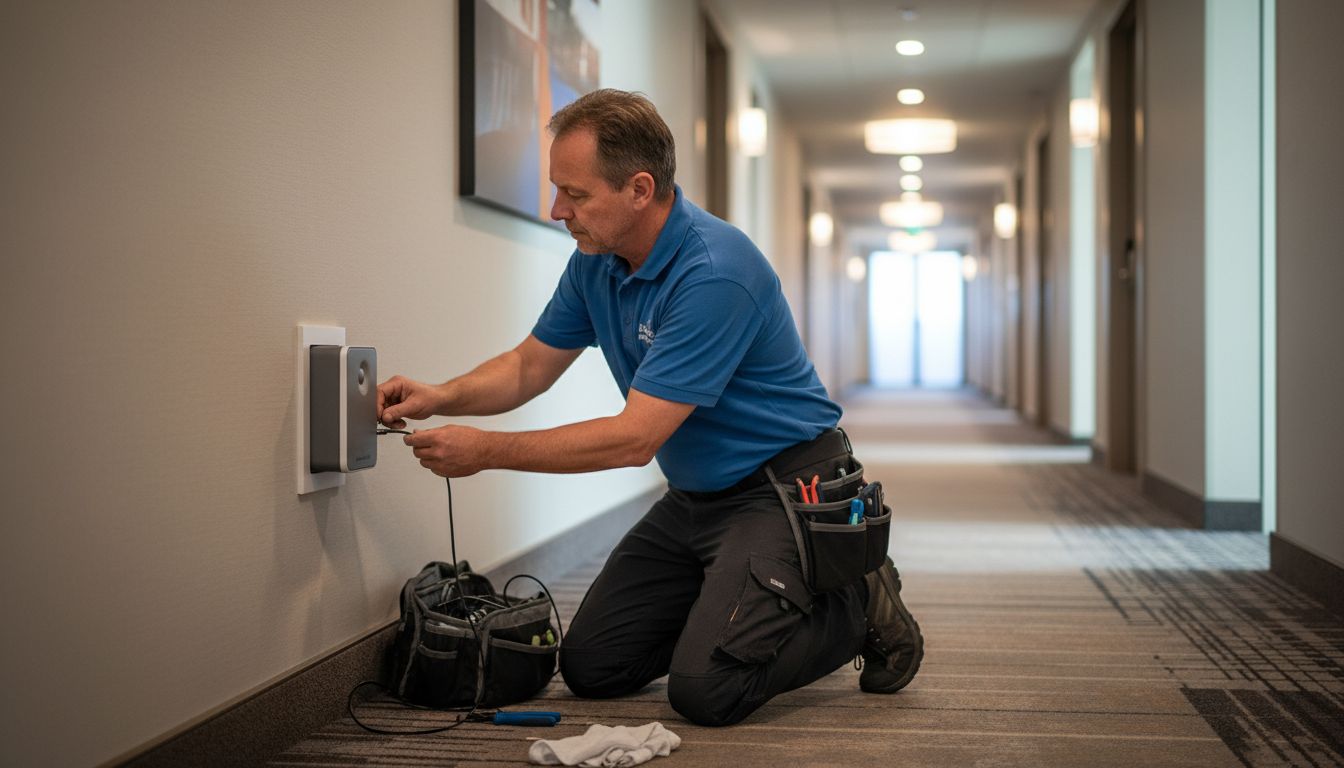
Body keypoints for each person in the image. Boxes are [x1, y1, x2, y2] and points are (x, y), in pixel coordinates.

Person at [377, 89, 922, 727]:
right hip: (694, 498)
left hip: (781, 488)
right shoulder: (597, 263)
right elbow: (529, 366)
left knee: (706, 690)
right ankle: (732, 605)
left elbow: (633, 440)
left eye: (574, 195)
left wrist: (487, 452)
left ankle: (856, 601)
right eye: (557, 190)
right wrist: (440, 394)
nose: (557, 211)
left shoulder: (715, 273)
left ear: (640, 189)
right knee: (591, 668)